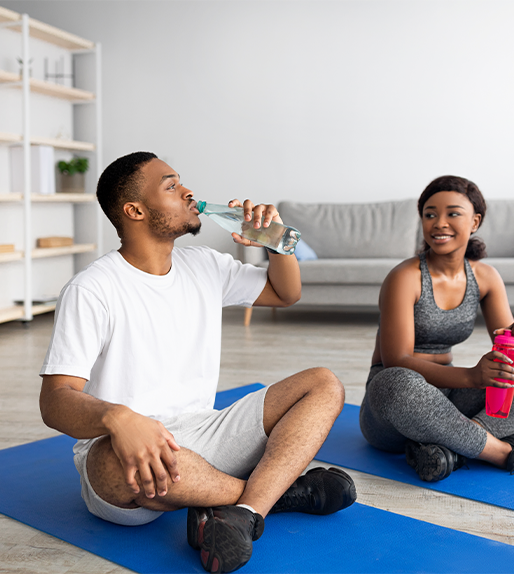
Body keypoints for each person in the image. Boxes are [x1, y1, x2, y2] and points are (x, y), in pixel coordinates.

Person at [39, 152, 356, 573]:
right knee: (107, 464)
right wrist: (118, 419)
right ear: (135, 210)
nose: (189, 192)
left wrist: (277, 241)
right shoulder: (92, 289)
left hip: (207, 432)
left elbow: (285, 294)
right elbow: (55, 400)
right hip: (135, 454)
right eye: (170, 186)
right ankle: (276, 496)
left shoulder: (204, 264)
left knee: (323, 383)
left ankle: (243, 511)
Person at [358, 175, 514, 483]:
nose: (439, 223)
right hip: (392, 410)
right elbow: (396, 359)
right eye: (430, 214)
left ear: (475, 221)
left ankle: (450, 448)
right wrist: (472, 377)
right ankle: (504, 453)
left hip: (450, 399)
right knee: (395, 381)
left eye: (453, 213)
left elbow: (508, 359)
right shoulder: (405, 277)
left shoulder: (486, 277)